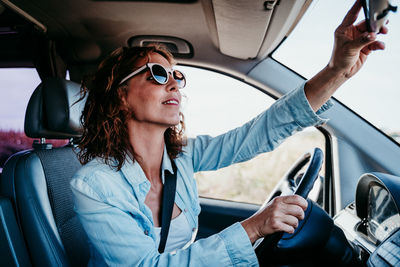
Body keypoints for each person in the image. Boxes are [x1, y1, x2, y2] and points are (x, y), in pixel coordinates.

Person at [70, 1, 388, 266]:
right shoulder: (95, 184)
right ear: (121, 95)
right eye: (156, 73)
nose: (172, 84)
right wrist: (253, 227)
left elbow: (256, 135)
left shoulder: (183, 157)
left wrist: (336, 70)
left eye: (176, 76)